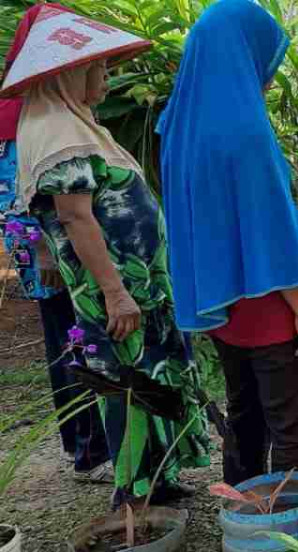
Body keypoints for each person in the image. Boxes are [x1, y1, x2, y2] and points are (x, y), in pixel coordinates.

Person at [12, 13, 211, 508]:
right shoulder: (58, 131)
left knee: (149, 378)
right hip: (118, 292)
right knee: (130, 384)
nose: (107, 80)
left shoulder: (69, 122)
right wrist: (116, 292)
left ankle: (157, 479)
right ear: (69, 73)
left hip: (136, 288)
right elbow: (77, 219)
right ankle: (136, 494)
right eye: (99, 70)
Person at [157, 0, 298, 486]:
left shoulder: (177, 126)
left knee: (246, 420)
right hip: (276, 307)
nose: (268, 73)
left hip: (226, 308)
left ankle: (245, 521)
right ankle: (296, 530)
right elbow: (268, 226)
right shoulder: (245, 131)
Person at [0, 5, 111, 482]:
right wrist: (42, 250)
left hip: (77, 251)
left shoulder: (60, 103)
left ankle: (94, 444)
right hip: (54, 255)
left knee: (85, 341)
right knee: (71, 343)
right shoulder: (16, 115)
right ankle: (88, 450)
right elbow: (12, 195)